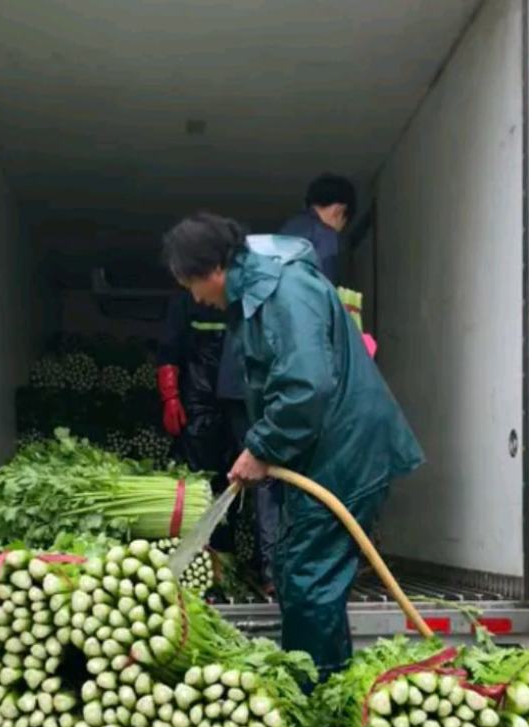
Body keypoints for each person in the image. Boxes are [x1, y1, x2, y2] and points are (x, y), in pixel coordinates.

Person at [161, 212, 424, 677]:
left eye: (189, 286)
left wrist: (260, 447)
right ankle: (328, 682)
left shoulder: (285, 290)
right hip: (324, 456)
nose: (195, 298)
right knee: (295, 571)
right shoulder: (258, 293)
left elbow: (305, 387)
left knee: (309, 581)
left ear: (211, 270)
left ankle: (315, 700)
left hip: (348, 456)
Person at [156, 289, 246, 552]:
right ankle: (201, 549)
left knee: (236, 478)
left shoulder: (243, 295)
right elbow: (168, 350)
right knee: (199, 477)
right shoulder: (184, 299)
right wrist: (170, 396)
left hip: (237, 399)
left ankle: (227, 550)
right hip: (197, 399)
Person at [279, 173, 356, 286]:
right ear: (338, 211)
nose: (338, 231)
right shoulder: (325, 233)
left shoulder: (291, 225)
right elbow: (325, 285)